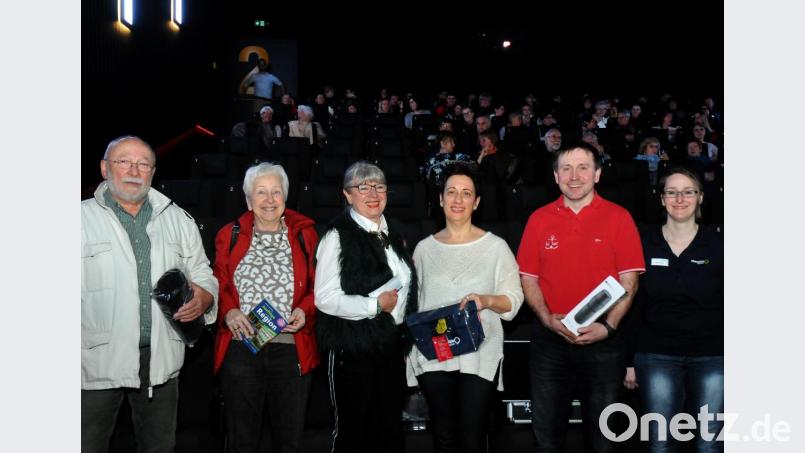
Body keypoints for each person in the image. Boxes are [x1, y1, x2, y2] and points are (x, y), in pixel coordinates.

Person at [82, 135, 218, 453]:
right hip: (94, 362)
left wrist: (205, 298)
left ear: (152, 173)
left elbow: (203, 274)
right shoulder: (78, 219)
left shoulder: (178, 219)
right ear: (105, 168)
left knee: (159, 447)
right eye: (124, 161)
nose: (134, 170)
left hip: (159, 361)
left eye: (144, 164)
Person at [516, 141, 645, 453]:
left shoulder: (619, 218)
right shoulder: (538, 219)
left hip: (604, 342)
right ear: (556, 176)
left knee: (603, 441)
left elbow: (629, 281)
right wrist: (546, 318)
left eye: (583, 167)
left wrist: (609, 327)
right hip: (550, 341)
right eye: (566, 168)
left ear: (597, 174)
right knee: (546, 438)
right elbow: (527, 278)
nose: (574, 176)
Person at [407, 163, 524, 453]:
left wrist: (486, 300)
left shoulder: (496, 247)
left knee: (472, 437)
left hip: (480, 352)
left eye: (466, 193)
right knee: (443, 437)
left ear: (477, 202)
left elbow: (514, 300)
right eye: (451, 192)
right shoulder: (423, 249)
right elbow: (414, 306)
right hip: (435, 355)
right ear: (440, 199)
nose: (458, 200)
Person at [212, 162, 320, 453]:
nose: (269, 200)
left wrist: (304, 309)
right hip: (242, 346)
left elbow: (316, 287)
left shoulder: (305, 233)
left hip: (290, 348)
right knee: (242, 439)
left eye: (276, 192)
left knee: (289, 440)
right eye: (261, 192)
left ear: (286, 196)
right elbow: (218, 283)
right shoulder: (229, 234)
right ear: (248, 200)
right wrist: (230, 311)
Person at [314, 161, 419, 453]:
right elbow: (324, 298)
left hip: (390, 348)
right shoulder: (337, 236)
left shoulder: (395, 232)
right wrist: (374, 305)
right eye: (363, 187)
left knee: (388, 431)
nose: (373, 193)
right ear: (348, 195)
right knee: (353, 434)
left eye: (379, 186)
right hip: (352, 349)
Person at [623, 167, 723, 452]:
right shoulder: (642, 244)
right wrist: (629, 361)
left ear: (700, 197)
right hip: (656, 355)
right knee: (661, 443)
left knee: (709, 443)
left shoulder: (720, 245)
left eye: (688, 191)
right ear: (662, 199)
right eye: (672, 192)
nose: (680, 198)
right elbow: (633, 304)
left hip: (712, 356)